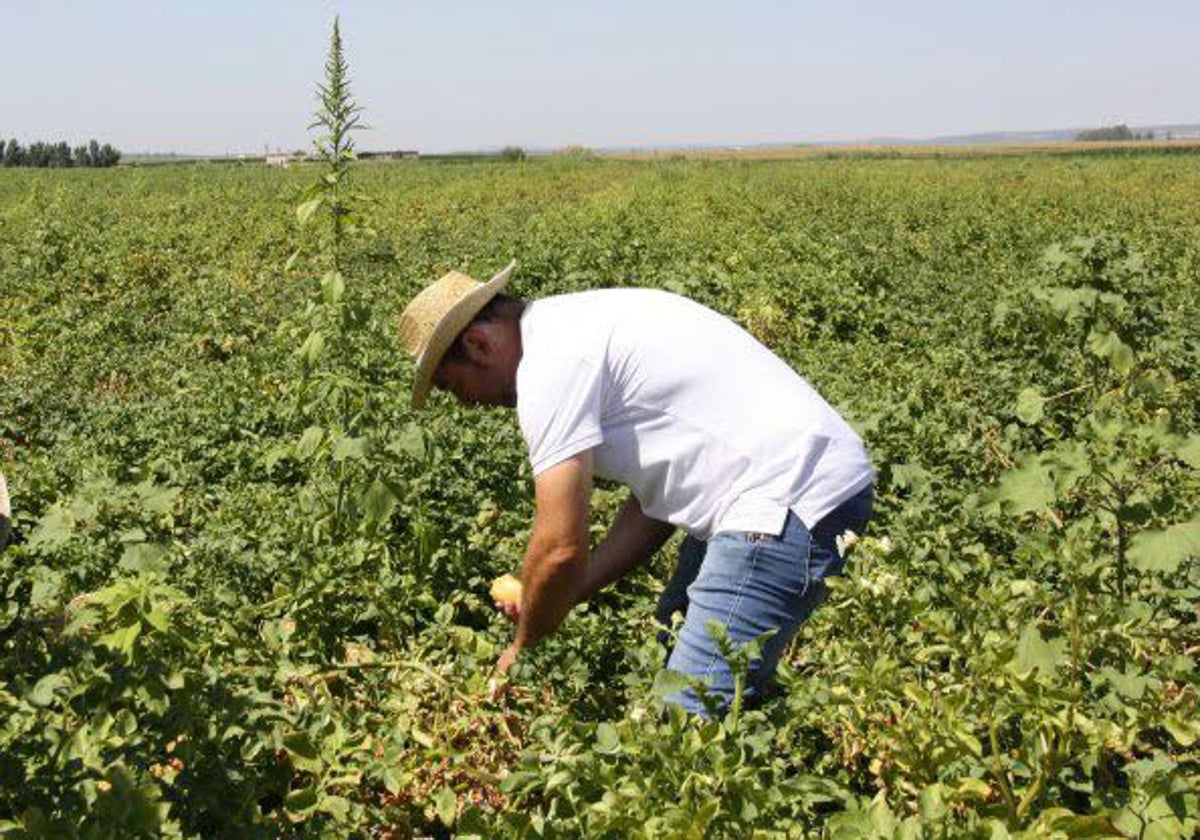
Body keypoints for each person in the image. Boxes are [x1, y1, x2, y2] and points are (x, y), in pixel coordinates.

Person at [398, 262, 874, 715]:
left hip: (785, 498)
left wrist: (522, 646)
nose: (466, 403)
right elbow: (656, 503)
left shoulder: (551, 365)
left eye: (452, 386)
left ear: (479, 346)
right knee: (675, 641)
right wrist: (565, 592)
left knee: (689, 715)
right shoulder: (574, 325)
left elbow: (560, 546)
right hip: (779, 486)